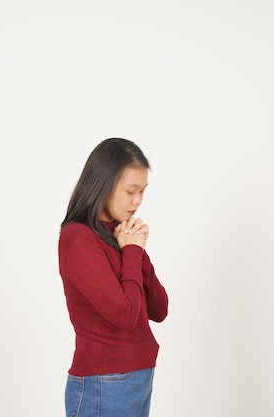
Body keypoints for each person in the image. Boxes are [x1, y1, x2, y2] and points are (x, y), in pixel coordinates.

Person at [58, 137, 169, 417]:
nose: (138, 201)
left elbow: (159, 309)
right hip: (104, 385)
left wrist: (137, 251)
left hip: (136, 377)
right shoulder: (78, 238)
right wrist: (131, 251)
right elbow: (124, 315)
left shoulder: (119, 234)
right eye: (131, 190)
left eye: (143, 191)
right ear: (103, 184)